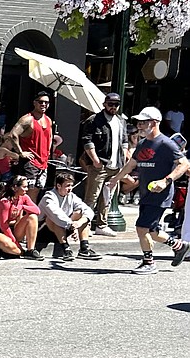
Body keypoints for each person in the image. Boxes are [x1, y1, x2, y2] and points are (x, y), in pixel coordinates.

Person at [107, 107, 190, 274]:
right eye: (139, 122)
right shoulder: (143, 143)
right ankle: (179, 245)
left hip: (160, 195)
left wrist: (166, 181)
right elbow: (131, 164)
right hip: (146, 193)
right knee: (151, 231)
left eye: (143, 122)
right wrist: (116, 178)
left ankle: (149, 262)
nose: (139, 125)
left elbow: (185, 164)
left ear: (154, 123)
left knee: (141, 228)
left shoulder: (166, 144)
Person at [78, 92, 128, 235]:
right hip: (99, 165)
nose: (113, 107)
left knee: (107, 197)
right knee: (91, 197)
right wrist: (95, 160)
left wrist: (123, 156)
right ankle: (84, 226)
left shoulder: (121, 121)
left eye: (116, 104)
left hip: (115, 165)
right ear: (104, 104)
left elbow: (124, 140)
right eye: (110, 104)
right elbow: (87, 140)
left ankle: (101, 224)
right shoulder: (94, 120)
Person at [39, 170, 100, 261]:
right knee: (52, 219)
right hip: (45, 232)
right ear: (58, 186)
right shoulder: (49, 197)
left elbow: (88, 210)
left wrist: (78, 223)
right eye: (67, 186)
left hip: (65, 227)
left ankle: (84, 248)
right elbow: (57, 215)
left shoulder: (71, 196)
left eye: (71, 185)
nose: (70, 188)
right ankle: (66, 249)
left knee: (81, 213)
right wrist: (72, 226)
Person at [0, 176, 42, 260]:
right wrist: (15, 242)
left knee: (32, 217)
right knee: (13, 248)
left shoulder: (24, 197)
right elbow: (4, 226)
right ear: (15, 187)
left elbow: (37, 211)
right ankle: (17, 251)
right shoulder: (5, 202)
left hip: (14, 229)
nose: (27, 190)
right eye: (24, 187)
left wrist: (22, 206)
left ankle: (31, 250)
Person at [10, 91, 53, 202]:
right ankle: (24, 216)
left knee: (37, 191)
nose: (44, 104)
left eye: (46, 102)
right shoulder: (28, 119)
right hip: (30, 162)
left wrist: (48, 152)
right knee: (26, 192)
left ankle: (29, 217)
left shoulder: (48, 120)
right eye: (41, 102)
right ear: (35, 103)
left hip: (43, 162)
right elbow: (13, 134)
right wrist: (20, 152)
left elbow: (50, 136)